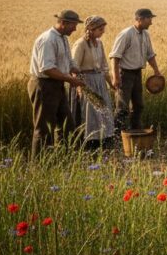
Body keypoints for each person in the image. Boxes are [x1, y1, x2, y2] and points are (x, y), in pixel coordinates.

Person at [28, 10, 86, 156]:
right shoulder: (48, 39)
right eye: (73, 25)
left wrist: (75, 70)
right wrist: (70, 79)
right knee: (44, 129)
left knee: (67, 125)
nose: (75, 29)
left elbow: (68, 61)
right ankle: (39, 165)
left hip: (57, 84)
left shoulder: (63, 38)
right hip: (44, 85)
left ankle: (63, 159)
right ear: (63, 23)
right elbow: (47, 68)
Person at [109, 8, 162, 130]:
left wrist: (157, 71)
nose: (151, 22)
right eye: (149, 19)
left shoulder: (146, 34)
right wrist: (116, 78)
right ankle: (117, 136)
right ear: (140, 19)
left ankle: (136, 131)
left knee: (138, 106)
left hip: (137, 73)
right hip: (124, 75)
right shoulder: (126, 34)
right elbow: (115, 57)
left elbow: (150, 55)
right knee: (122, 108)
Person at [71, 16, 116, 149]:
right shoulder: (80, 44)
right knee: (90, 113)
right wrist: (80, 87)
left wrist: (111, 83)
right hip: (86, 81)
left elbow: (104, 66)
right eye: (100, 29)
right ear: (91, 29)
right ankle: (90, 143)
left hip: (99, 81)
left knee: (103, 110)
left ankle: (104, 140)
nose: (103, 32)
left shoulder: (99, 43)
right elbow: (74, 67)